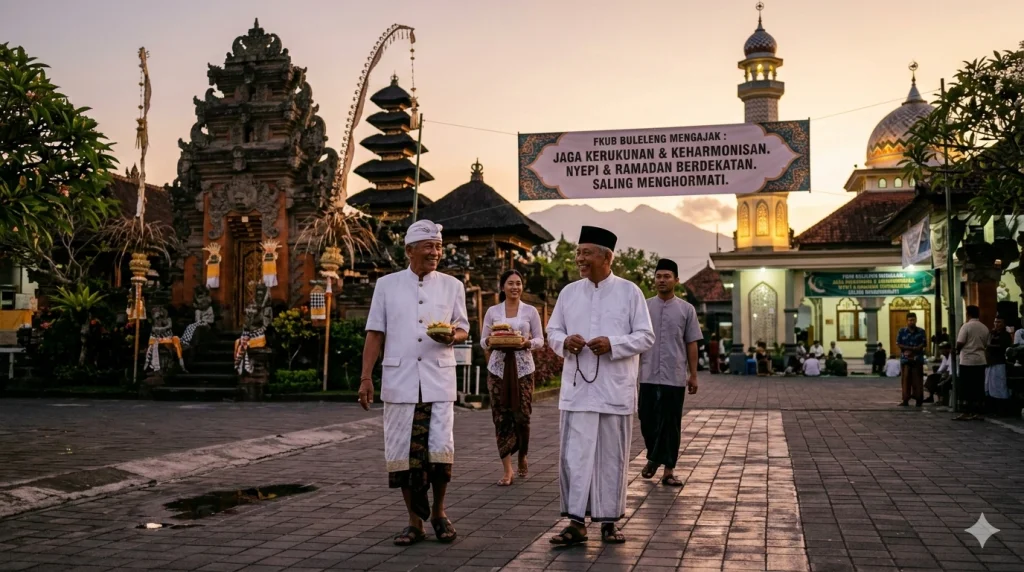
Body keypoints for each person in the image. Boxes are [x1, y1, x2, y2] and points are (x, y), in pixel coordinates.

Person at [358, 220, 469, 546]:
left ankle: (439, 513)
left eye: (439, 247)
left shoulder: (452, 286)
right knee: (402, 454)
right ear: (409, 250)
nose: (435, 252)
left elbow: (463, 328)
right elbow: (375, 334)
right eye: (429, 246)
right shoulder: (386, 285)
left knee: (440, 450)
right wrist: (366, 377)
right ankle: (413, 522)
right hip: (400, 380)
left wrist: (453, 336)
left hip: (439, 379)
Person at [546, 226, 654, 546]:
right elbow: (552, 332)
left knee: (611, 458)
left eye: (586, 253)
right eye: (578, 253)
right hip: (578, 390)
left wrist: (613, 344)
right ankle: (575, 523)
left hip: (613, 390)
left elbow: (645, 336)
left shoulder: (629, 292)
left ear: (607, 258)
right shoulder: (568, 293)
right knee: (575, 457)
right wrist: (565, 341)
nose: (579, 259)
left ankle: (609, 522)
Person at [637, 259, 701, 488]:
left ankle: (668, 471)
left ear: (676, 280)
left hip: (674, 376)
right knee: (647, 420)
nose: (662, 280)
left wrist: (693, 374)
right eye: (658, 276)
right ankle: (654, 456)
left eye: (666, 276)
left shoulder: (686, 309)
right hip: (647, 374)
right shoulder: (643, 308)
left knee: (671, 424)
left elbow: (692, 343)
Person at [481, 269, 545, 486]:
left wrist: (527, 343)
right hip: (497, 369)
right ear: (502, 287)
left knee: (523, 416)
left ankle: (522, 454)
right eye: (510, 283)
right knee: (501, 417)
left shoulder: (530, 311)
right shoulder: (492, 311)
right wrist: (491, 341)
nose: (515, 287)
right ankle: (507, 469)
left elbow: (540, 340)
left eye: (518, 283)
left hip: (523, 369)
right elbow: (483, 341)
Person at [956, 305, 990, 421]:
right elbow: (986, 344)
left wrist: (957, 350)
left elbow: (960, 342)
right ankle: (978, 412)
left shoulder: (966, 326)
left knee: (966, 388)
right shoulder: (984, 327)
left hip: (967, 360)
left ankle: (966, 412)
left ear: (968, 314)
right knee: (978, 387)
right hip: (980, 360)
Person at [896, 312, 926, 407]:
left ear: (916, 320)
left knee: (917, 380)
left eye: (913, 320)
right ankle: (905, 400)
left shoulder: (921, 331)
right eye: (909, 320)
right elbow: (898, 343)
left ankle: (919, 400)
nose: (911, 322)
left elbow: (923, 344)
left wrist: (914, 350)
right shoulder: (902, 331)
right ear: (907, 321)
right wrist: (909, 349)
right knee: (905, 381)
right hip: (905, 360)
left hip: (917, 360)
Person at [985, 315, 1013, 416]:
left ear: (1004, 324)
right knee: (990, 386)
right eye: (995, 322)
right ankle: (993, 409)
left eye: (999, 322)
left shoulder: (1005, 335)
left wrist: (990, 346)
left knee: (999, 387)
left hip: (999, 363)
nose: (997, 324)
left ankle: (1001, 410)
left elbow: (1003, 347)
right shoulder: (992, 333)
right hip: (990, 363)